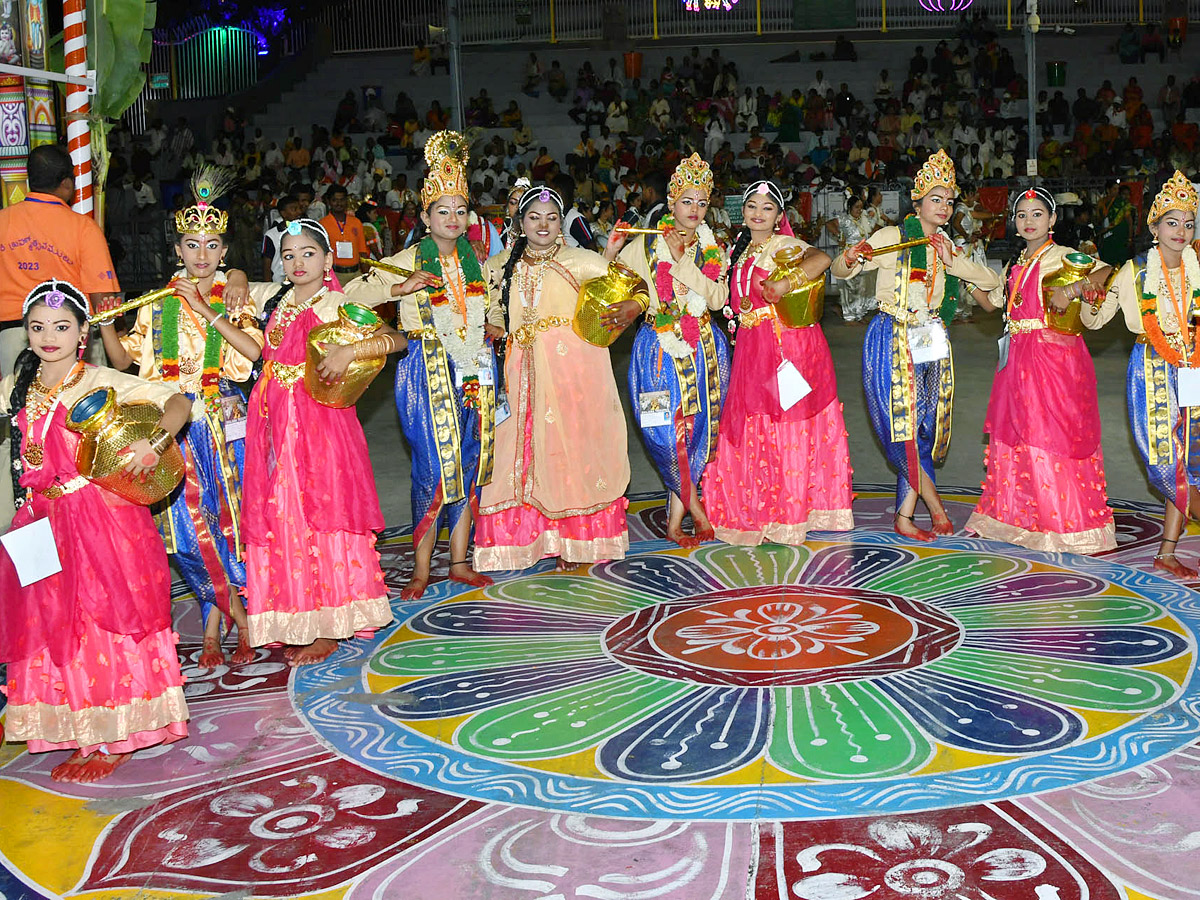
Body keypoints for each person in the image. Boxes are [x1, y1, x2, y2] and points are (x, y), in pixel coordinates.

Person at [1, 279, 193, 782]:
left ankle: (118, 733)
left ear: (83, 331)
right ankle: (78, 727)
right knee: (53, 621)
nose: (50, 337)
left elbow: (177, 401)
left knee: (101, 617)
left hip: (101, 520)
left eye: (62, 327)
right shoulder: (19, 385)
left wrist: (154, 439)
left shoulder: (100, 380)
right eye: (38, 327)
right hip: (41, 520)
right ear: (25, 332)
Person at [96, 168, 261, 668]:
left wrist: (209, 304)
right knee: (187, 534)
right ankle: (230, 614)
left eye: (212, 245)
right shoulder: (158, 304)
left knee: (228, 525)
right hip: (172, 430)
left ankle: (223, 624)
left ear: (224, 252)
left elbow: (252, 354)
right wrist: (107, 325)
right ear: (178, 252)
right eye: (192, 244)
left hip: (221, 428)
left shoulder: (235, 298)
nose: (202, 255)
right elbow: (125, 363)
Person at [343, 131, 499, 599]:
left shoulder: (478, 261)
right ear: (426, 217)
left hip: (475, 367)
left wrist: (492, 323)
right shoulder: (407, 259)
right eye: (442, 211)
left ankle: (457, 561)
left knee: (470, 461)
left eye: (459, 210)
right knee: (433, 465)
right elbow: (348, 295)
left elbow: (490, 307)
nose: (452, 219)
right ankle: (419, 568)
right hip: (425, 368)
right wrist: (399, 288)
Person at [240, 219, 398, 664]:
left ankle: (328, 623)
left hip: (319, 426)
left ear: (328, 259)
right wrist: (234, 277)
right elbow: (234, 283)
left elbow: (393, 339)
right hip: (273, 424)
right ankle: (292, 616)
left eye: (308, 253)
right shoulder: (278, 300)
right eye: (288, 255)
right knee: (282, 514)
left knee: (319, 511)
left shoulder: (334, 303)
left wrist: (351, 350)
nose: (297, 263)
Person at [831, 150, 1001, 540]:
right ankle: (936, 508)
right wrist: (851, 255)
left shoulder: (946, 245)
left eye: (949, 201)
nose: (943, 208)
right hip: (892, 336)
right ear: (917, 201)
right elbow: (843, 271)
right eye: (935, 199)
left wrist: (953, 261)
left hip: (931, 341)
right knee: (900, 428)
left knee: (923, 428)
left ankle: (905, 516)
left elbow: (990, 282)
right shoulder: (893, 237)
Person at [475, 186, 644, 570]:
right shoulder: (501, 265)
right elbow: (495, 310)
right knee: (520, 450)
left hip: (575, 370)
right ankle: (526, 541)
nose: (543, 225)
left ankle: (576, 542)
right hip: (521, 369)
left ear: (561, 222)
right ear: (521, 222)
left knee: (572, 447)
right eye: (534, 217)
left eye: (551, 218)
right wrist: (495, 327)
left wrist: (634, 305)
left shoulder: (580, 260)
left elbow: (635, 285)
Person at [966, 186, 1116, 554]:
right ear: (1014, 225)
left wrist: (1076, 288)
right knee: (1017, 433)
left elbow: (1107, 271)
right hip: (1017, 358)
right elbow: (994, 306)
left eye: (1037, 214)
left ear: (1051, 220)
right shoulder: (1015, 266)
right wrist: (967, 281)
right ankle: (1019, 519)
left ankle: (1061, 524)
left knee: (1049, 435)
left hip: (1053, 361)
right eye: (1022, 215)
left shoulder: (1064, 257)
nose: (1029, 221)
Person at [703, 181, 852, 545]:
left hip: (785, 348)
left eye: (767, 208)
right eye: (752, 206)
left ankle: (790, 512)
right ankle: (762, 507)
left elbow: (822, 258)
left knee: (785, 424)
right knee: (755, 422)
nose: (758, 213)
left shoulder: (783, 245)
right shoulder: (738, 250)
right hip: (752, 348)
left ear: (779, 216)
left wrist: (787, 283)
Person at [604, 154, 731, 547]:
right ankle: (697, 510)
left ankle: (679, 519)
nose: (694, 211)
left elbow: (717, 298)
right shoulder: (645, 246)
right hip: (656, 353)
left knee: (695, 435)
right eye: (687, 201)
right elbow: (609, 284)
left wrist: (681, 263)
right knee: (662, 432)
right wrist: (611, 250)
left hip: (705, 350)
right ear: (671, 203)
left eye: (702, 203)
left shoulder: (712, 249)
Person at [0, 144, 122, 529]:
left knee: (18, 427)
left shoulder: (2, 220)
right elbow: (104, 296)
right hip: (73, 339)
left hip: (12, 339)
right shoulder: (81, 226)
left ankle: (17, 512)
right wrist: (110, 339)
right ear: (68, 184)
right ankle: (82, 510)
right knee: (82, 426)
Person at [1084, 172, 1200, 576]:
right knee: (1165, 465)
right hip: (1151, 368)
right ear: (1154, 227)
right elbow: (1096, 322)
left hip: (1193, 369)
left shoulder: (1197, 265)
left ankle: (1167, 552)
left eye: (1188, 223)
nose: (1181, 232)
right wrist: (1087, 294)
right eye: (1172, 222)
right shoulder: (1134, 272)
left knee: (1193, 462)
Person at [828, 192, 875, 322]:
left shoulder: (864, 219)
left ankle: (859, 314)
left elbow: (875, 228)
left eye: (861, 207)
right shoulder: (844, 219)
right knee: (849, 287)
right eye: (856, 207)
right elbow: (829, 224)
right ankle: (849, 316)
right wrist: (838, 236)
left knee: (861, 287)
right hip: (849, 256)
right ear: (849, 208)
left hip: (862, 256)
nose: (859, 210)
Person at [321, 184, 370, 279]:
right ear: (329, 201)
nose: (339, 203)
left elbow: (362, 251)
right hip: (334, 275)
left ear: (346, 200)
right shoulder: (322, 224)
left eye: (342, 200)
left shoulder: (356, 222)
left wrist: (366, 274)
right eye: (335, 200)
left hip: (356, 274)